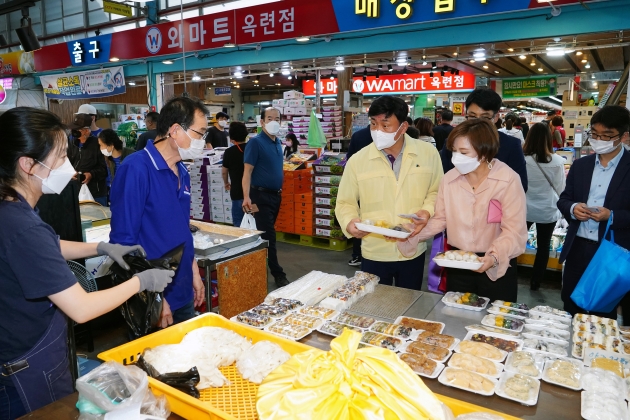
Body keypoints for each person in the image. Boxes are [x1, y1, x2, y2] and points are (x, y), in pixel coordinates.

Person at [0, 107, 173, 419]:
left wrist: (102, 247)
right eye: (59, 156)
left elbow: (47, 247)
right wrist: (141, 282)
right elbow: (81, 308)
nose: (68, 165)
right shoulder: (21, 224)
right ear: (28, 165)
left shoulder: (10, 206)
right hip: (24, 368)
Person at [398, 119, 527, 301]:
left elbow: (514, 230)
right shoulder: (450, 179)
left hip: (495, 264)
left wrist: (493, 256)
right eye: (455, 151)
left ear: (483, 153)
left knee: (494, 320)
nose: (456, 157)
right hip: (458, 262)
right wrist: (410, 233)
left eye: (464, 152)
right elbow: (441, 219)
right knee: (457, 318)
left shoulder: (507, 180)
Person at [109, 96, 208, 328]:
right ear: (175, 131)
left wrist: (193, 272)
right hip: (153, 293)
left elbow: (182, 229)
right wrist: (155, 297)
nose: (203, 142)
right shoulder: (136, 169)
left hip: (181, 286)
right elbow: (123, 243)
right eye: (200, 133)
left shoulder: (182, 170)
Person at [336, 96, 444, 290]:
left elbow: (436, 191)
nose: (377, 131)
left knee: (409, 306)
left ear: (403, 127)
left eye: (385, 126)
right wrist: (349, 222)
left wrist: (427, 211)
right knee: (375, 309)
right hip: (374, 251)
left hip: (412, 248)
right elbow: (345, 202)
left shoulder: (428, 153)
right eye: (373, 124)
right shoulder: (358, 160)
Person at [557, 105, 630, 318]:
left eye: (607, 136)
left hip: (611, 251)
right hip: (577, 248)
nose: (599, 140)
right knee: (571, 308)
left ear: (623, 136)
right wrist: (572, 208)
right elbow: (564, 199)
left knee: (602, 312)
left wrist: (612, 216)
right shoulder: (581, 166)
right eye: (594, 134)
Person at [441, 88, 528, 192]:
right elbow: (445, 180)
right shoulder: (453, 144)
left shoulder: (511, 145)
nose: (477, 123)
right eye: (472, 116)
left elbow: (521, 186)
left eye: (485, 118)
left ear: (496, 117)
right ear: (466, 115)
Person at [242, 107, 289, 287]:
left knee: (264, 237)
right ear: (261, 122)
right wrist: (246, 197)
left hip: (275, 196)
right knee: (269, 237)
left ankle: (257, 268)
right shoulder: (255, 143)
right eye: (269, 118)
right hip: (259, 196)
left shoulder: (278, 142)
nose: (273, 121)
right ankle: (278, 274)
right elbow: (247, 172)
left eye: (277, 118)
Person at [523, 123, 565, 291]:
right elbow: (561, 188)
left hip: (524, 209)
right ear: (549, 138)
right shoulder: (557, 162)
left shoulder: (523, 160)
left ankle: (508, 273)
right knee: (543, 246)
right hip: (547, 210)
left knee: (516, 242)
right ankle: (536, 281)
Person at [345, 125, 372, 267]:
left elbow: (349, 159)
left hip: (361, 186)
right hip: (373, 187)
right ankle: (360, 254)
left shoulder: (358, 135)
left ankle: (357, 255)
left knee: (360, 219)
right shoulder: (393, 136)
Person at [67, 113, 108, 206]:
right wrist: (70, 173)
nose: (74, 131)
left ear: (86, 131)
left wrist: (91, 174)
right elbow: (66, 164)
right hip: (76, 191)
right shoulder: (71, 144)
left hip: (96, 193)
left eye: (77, 129)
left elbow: (104, 170)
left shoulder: (98, 144)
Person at [222, 122, 248, 227]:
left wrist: (226, 182)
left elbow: (224, 171)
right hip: (253, 192)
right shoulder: (252, 148)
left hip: (237, 191)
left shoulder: (229, 152)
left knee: (238, 223)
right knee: (254, 223)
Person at [98, 129, 135, 195]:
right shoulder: (107, 159)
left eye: (101, 145)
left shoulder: (132, 155)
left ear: (111, 145)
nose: (100, 148)